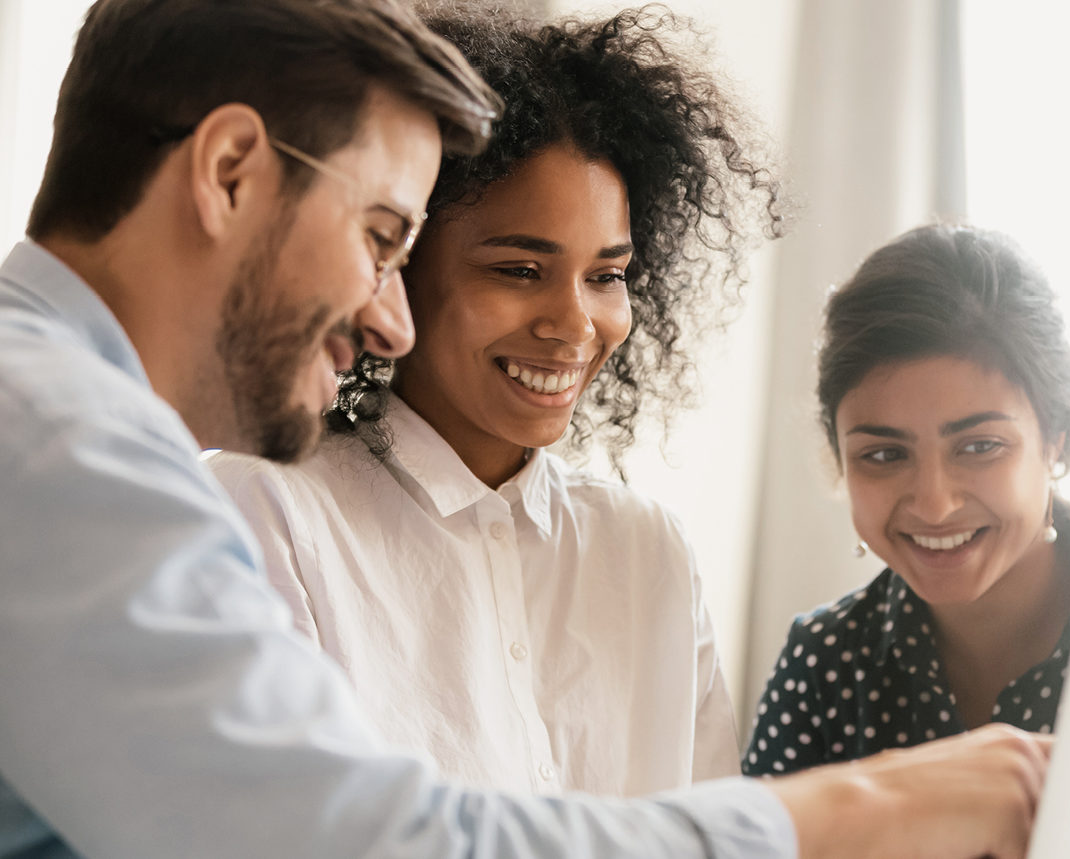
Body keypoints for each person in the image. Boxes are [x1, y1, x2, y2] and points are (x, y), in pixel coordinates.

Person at [0, 2, 1051, 857]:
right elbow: (350, 839)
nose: (386, 315)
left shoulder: (47, 415)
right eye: (381, 236)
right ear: (228, 172)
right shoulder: (54, 439)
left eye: (608, 273)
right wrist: (854, 810)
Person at [208, 3, 775, 796]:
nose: (576, 323)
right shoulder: (268, 509)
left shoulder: (647, 553)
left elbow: (714, 836)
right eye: (518, 270)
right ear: (396, 270)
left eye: (606, 275)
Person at [744, 224, 1070, 776]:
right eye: (884, 456)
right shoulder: (823, 663)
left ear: (1056, 437)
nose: (934, 505)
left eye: (980, 446)